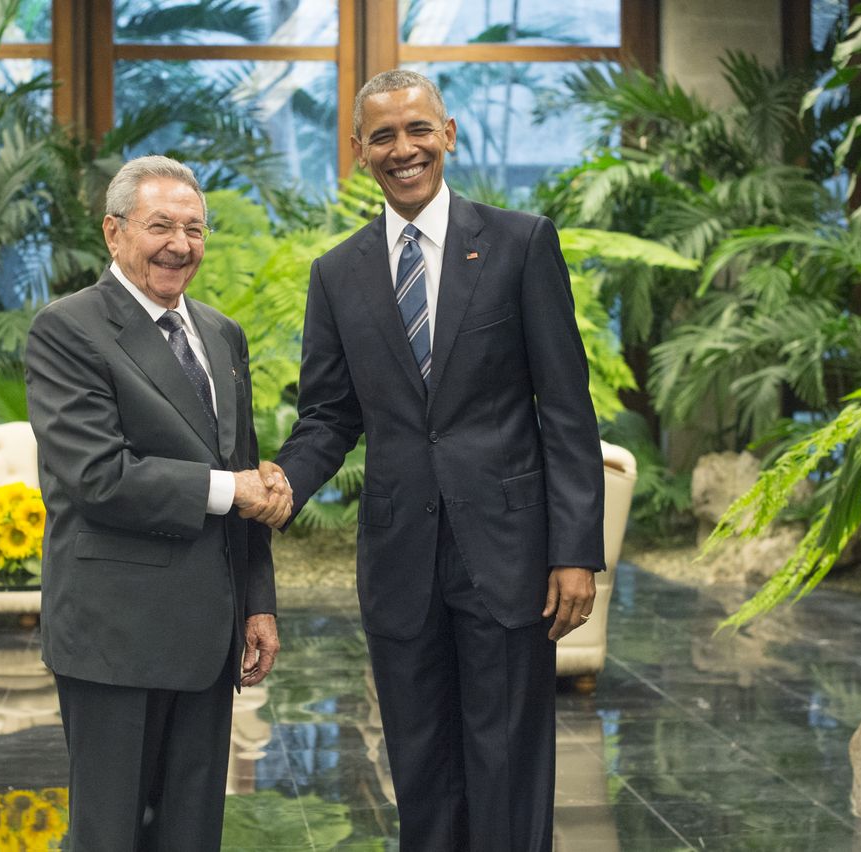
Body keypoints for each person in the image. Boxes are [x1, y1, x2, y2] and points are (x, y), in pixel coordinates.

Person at [270, 70, 606, 851]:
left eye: (417, 129)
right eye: (382, 136)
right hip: (400, 558)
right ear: (359, 152)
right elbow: (328, 415)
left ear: (447, 134)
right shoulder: (336, 273)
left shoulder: (522, 244)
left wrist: (575, 552)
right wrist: (283, 481)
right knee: (420, 768)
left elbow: (565, 407)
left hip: (509, 553)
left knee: (508, 761)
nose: (403, 148)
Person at [25, 155, 291, 851]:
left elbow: (245, 476)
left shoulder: (222, 333)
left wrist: (257, 603)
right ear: (114, 233)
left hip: (209, 637)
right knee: (111, 834)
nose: (180, 245)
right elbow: (96, 475)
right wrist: (229, 490)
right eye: (160, 226)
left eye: (195, 229)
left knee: (191, 833)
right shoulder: (67, 330)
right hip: (116, 636)